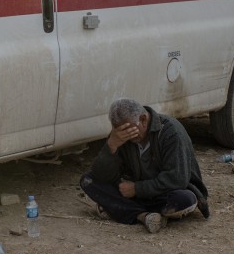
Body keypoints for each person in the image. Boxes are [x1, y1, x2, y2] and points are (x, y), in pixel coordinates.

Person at [81, 98, 210, 233]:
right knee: (88, 181)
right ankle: (144, 216)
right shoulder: (120, 136)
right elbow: (103, 176)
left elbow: (177, 179)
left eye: (128, 130)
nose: (126, 136)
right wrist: (111, 145)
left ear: (143, 120)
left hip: (164, 192)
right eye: (119, 131)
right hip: (135, 193)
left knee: (185, 199)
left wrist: (137, 189)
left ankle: (121, 209)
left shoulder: (171, 131)